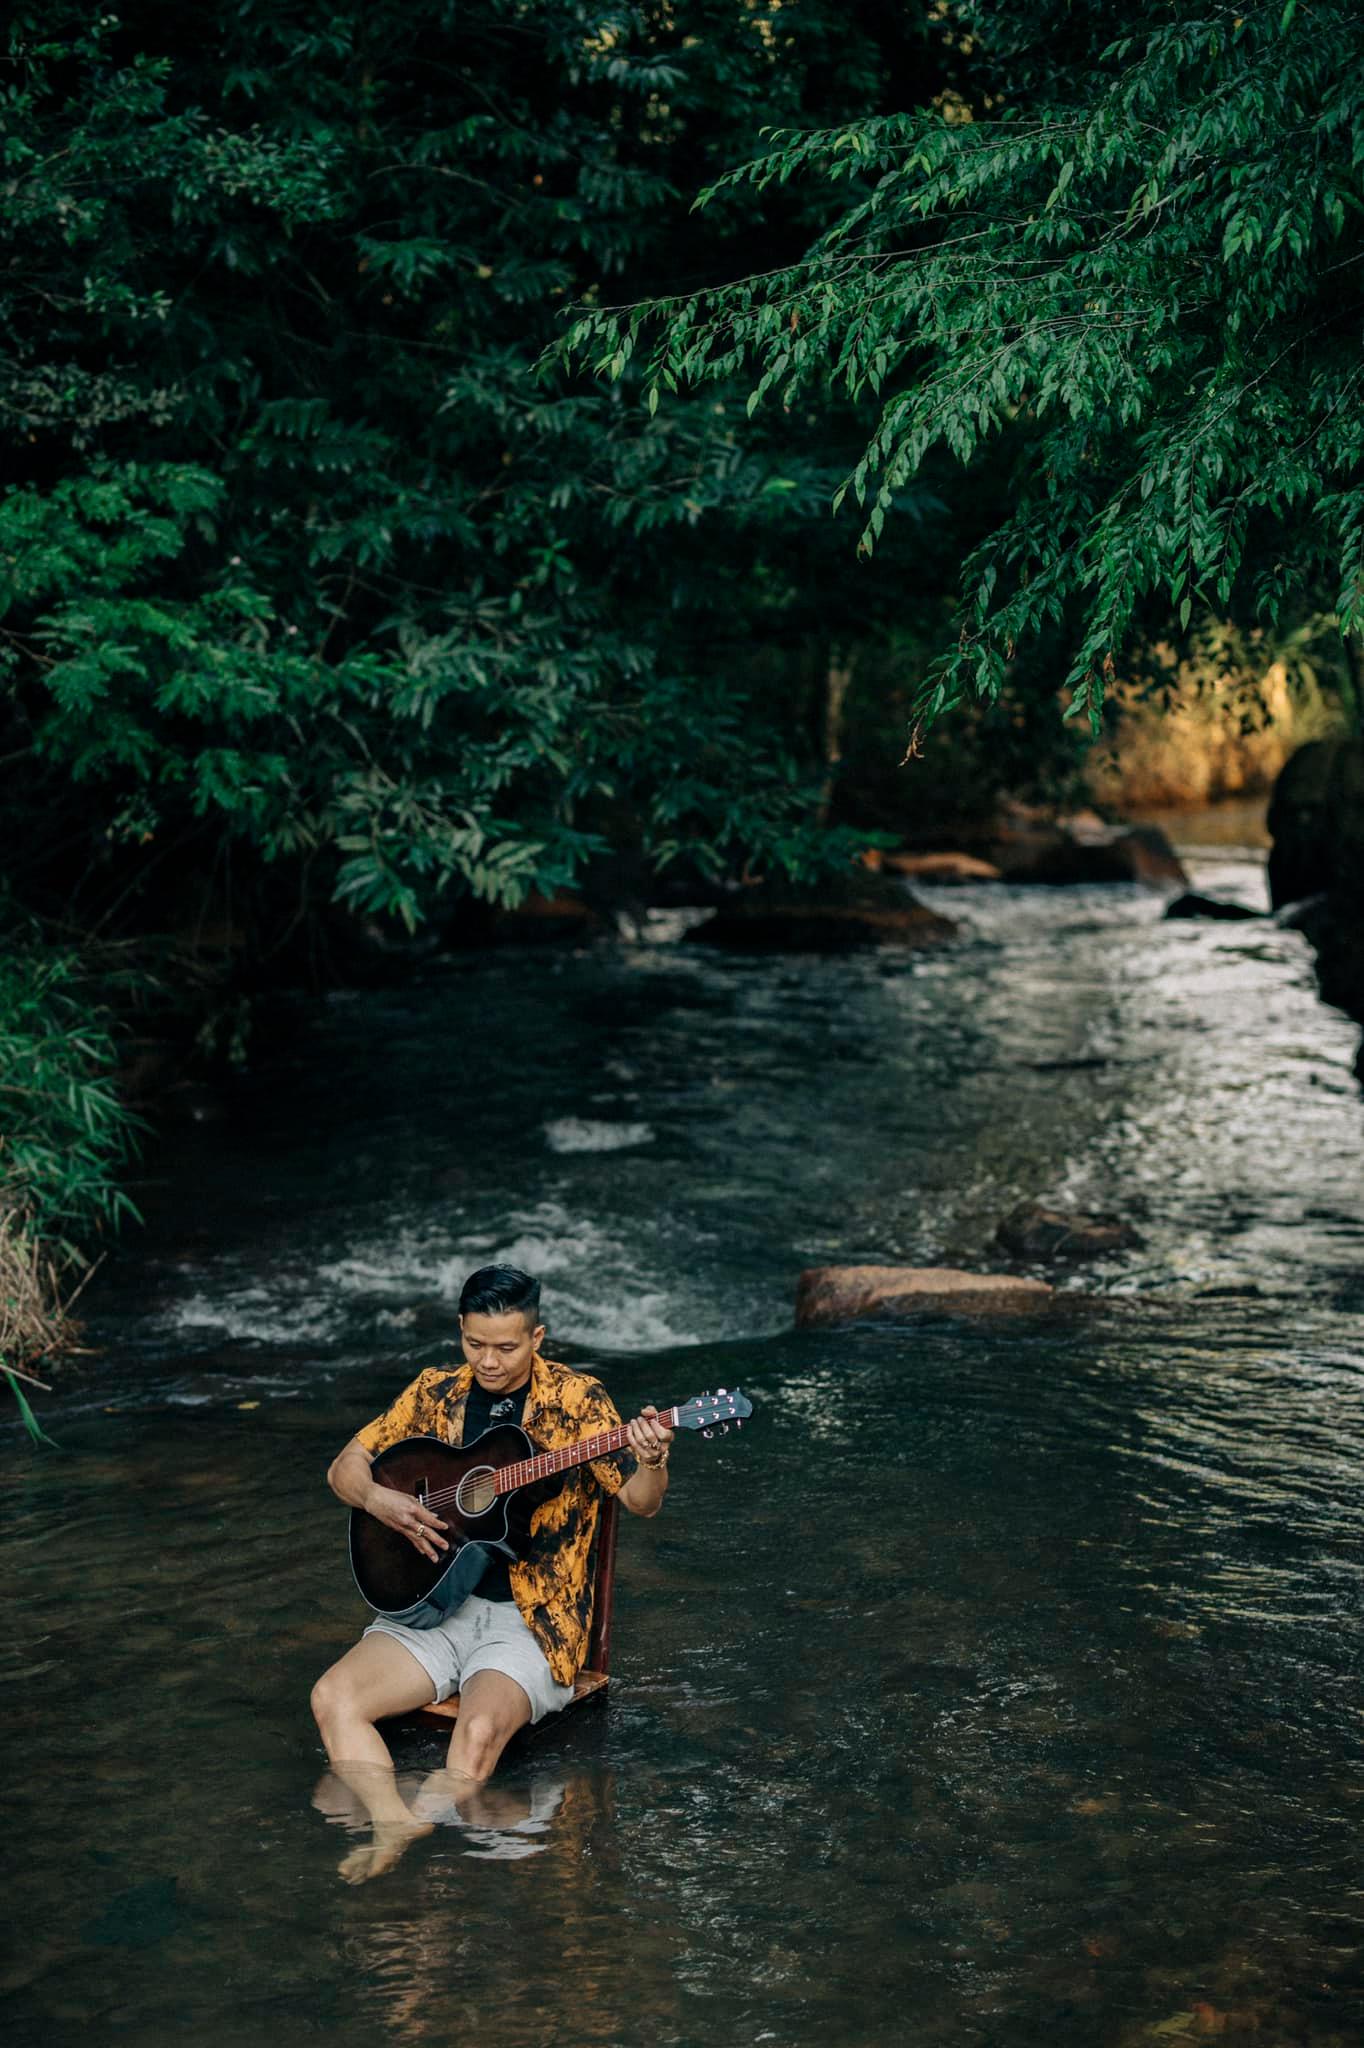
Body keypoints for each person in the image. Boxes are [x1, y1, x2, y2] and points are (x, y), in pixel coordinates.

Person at [310, 1262, 672, 1881]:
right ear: (460, 1330)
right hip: (435, 1603)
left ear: (538, 1337)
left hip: (531, 1619)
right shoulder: (434, 1392)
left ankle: (413, 1836)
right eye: (474, 1344)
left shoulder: (577, 1403)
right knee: (333, 1697)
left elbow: (641, 1502)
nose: (490, 1361)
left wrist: (653, 1459)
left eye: (506, 1347)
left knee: (476, 1732)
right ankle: (393, 1821)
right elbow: (345, 1466)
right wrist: (377, 1499)